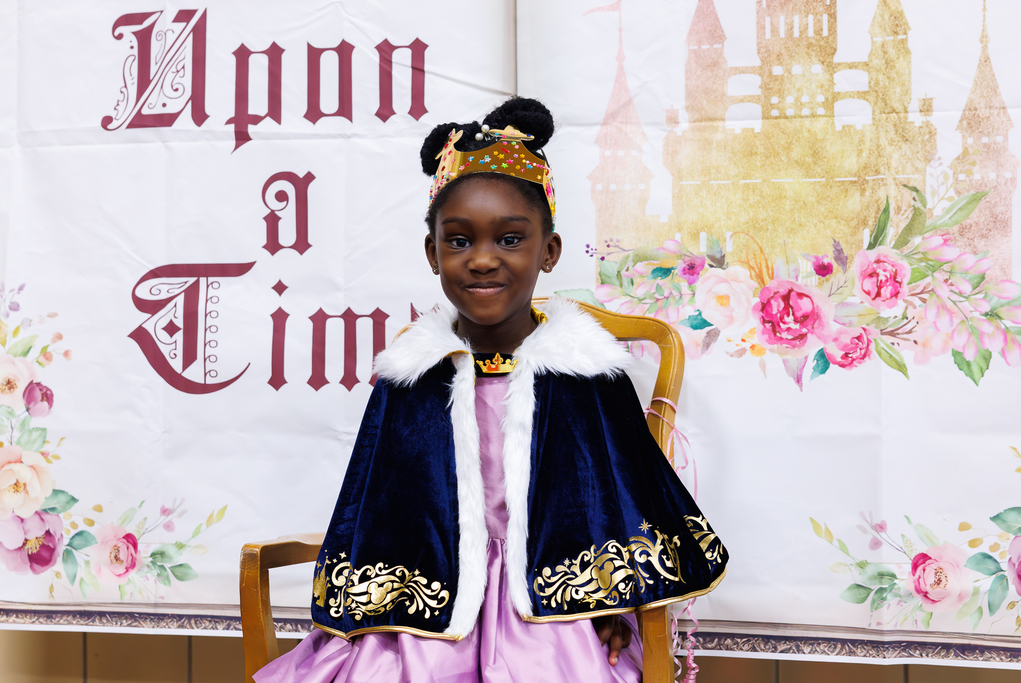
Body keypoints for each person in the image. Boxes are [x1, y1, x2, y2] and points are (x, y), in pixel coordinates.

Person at [254, 97, 727, 683]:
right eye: (459, 241)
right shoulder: (413, 376)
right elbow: (380, 509)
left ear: (548, 252)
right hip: (428, 606)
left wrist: (612, 606)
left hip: (553, 610)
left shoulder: (585, 376)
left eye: (509, 239)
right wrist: (373, 612)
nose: (482, 261)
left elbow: (619, 501)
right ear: (433, 253)